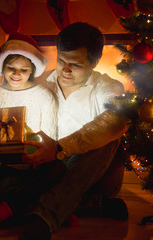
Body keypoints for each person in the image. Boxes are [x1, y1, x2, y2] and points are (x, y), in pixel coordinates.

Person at [22, 22, 130, 240]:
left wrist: (61, 147)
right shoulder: (40, 84)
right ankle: (92, 205)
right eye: (61, 60)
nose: (65, 70)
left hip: (95, 173)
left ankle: (44, 214)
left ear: (95, 62)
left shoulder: (109, 87)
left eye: (76, 64)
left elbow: (116, 120)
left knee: (108, 138)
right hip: (51, 170)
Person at [0, 32, 66, 237]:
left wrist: (40, 154)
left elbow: (50, 136)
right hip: (4, 168)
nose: (17, 74)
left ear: (32, 70)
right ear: (2, 67)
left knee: (58, 169)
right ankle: (33, 206)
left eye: (24, 70)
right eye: (11, 68)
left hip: (34, 168)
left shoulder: (45, 96)